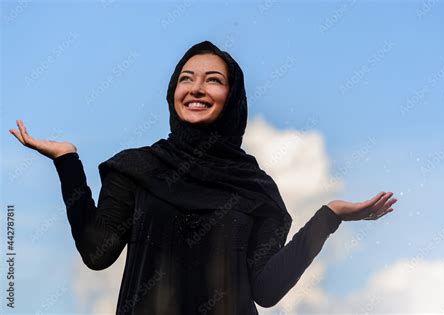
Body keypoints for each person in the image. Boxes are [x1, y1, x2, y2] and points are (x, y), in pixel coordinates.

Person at [9, 40, 397, 314]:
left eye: (213, 79)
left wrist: (329, 216)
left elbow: (266, 290)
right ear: (173, 91)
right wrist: (67, 161)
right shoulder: (138, 169)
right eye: (186, 78)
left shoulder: (255, 189)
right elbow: (96, 253)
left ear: (232, 97)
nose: (196, 88)